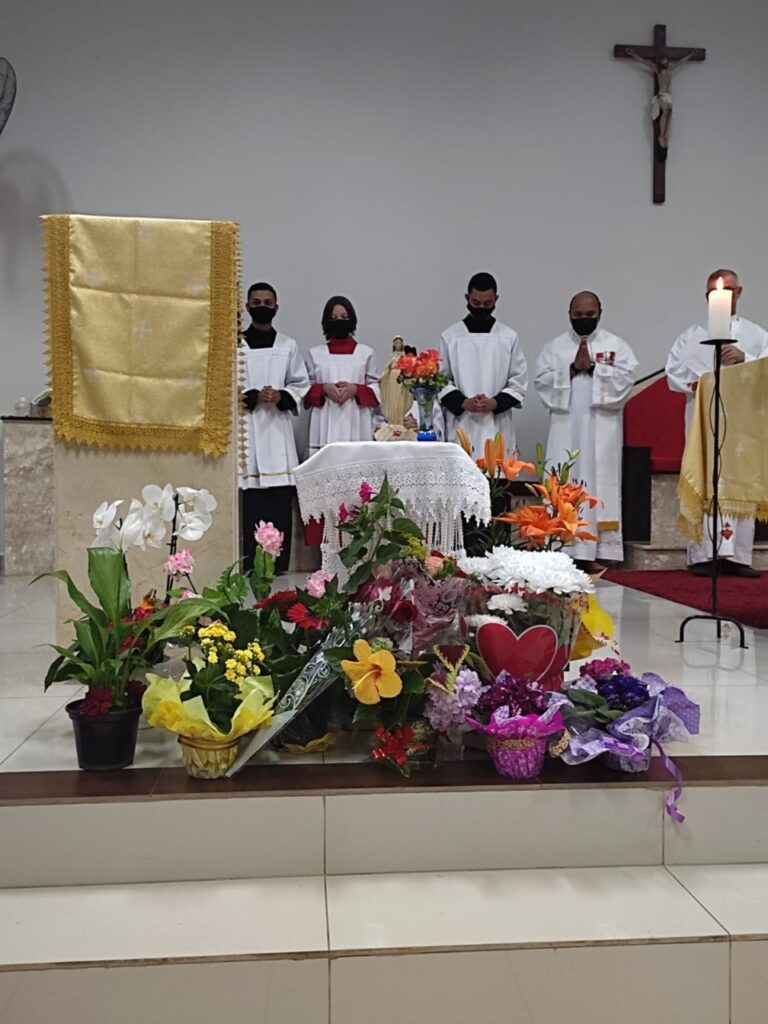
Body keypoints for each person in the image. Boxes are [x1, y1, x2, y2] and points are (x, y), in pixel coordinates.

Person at [666, 268, 768, 578]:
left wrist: (745, 357)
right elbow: (674, 372)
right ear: (706, 296)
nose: (719, 297)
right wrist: (699, 383)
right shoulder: (692, 336)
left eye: (727, 291)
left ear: (739, 293)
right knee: (707, 473)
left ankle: (737, 556)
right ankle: (703, 554)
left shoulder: (756, 334)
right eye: (713, 293)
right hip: (703, 419)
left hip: (742, 423)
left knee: (738, 478)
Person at [535, 291, 638, 570]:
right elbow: (541, 382)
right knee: (562, 481)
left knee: (597, 481)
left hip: (600, 430)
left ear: (600, 312)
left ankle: (597, 550)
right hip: (565, 428)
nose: (583, 320)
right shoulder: (554, 347)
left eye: (589, 315)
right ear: (569, 313)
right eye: (578, 315)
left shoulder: (616, 345)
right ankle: (561, 547)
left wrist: (593, 368)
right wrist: (569, 370)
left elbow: (627, 379)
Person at [240, 281, 309, 574]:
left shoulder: (287, 346)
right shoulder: (235, 345)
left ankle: (279, 565)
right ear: (247, 307)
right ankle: (251, 566)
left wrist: (281, 396)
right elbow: (224, 387)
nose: (262, 307)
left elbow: (300, 383)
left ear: (276, 308)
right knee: (252, 503)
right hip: (249, 431)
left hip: (278, 434)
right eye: (257, 302)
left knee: (279, 502)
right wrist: (253, 396)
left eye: (268, 302)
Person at [438, 271, 528, 455]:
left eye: (488, 304)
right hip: (462, 422)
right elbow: (441, 380)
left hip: (497, 423)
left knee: (497, 475)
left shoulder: (508, 337)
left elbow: (518, 381)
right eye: (476, 303)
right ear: (467, 298)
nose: (481, 308)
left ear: (496, 299)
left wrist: (495, 402)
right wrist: (463, 402)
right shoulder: (451, 337)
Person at [305, 295, 381, 453]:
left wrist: (356, 390)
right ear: (327, 322)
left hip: (357, 420)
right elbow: (304, 389)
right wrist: (324, 389)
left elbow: (377, 390)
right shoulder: (315, 353)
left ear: (352, 320)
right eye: (334, 318)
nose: (339, 321)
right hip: (325, 420)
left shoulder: (366, 353)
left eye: (344, 317)